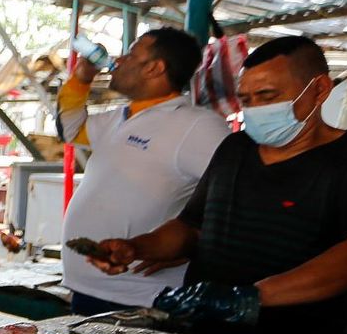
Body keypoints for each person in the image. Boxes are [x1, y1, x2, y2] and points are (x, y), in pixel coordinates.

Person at [87, 35, 347, 334]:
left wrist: (251, 297)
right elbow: (191, 228)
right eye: (247, 99)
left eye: (268, 96)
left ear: (319, 89)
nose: (255, 108)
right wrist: (136, 247)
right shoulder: (236, 149)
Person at [57, 28, 230, 314]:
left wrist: (193, 244)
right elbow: (70, 129)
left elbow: (237, 193)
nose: (120, 60)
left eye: (132, 54)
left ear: (154, 68)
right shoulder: (119, 117)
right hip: (89, 287)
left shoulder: (197, 126)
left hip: (141, 297)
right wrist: (81, 79)